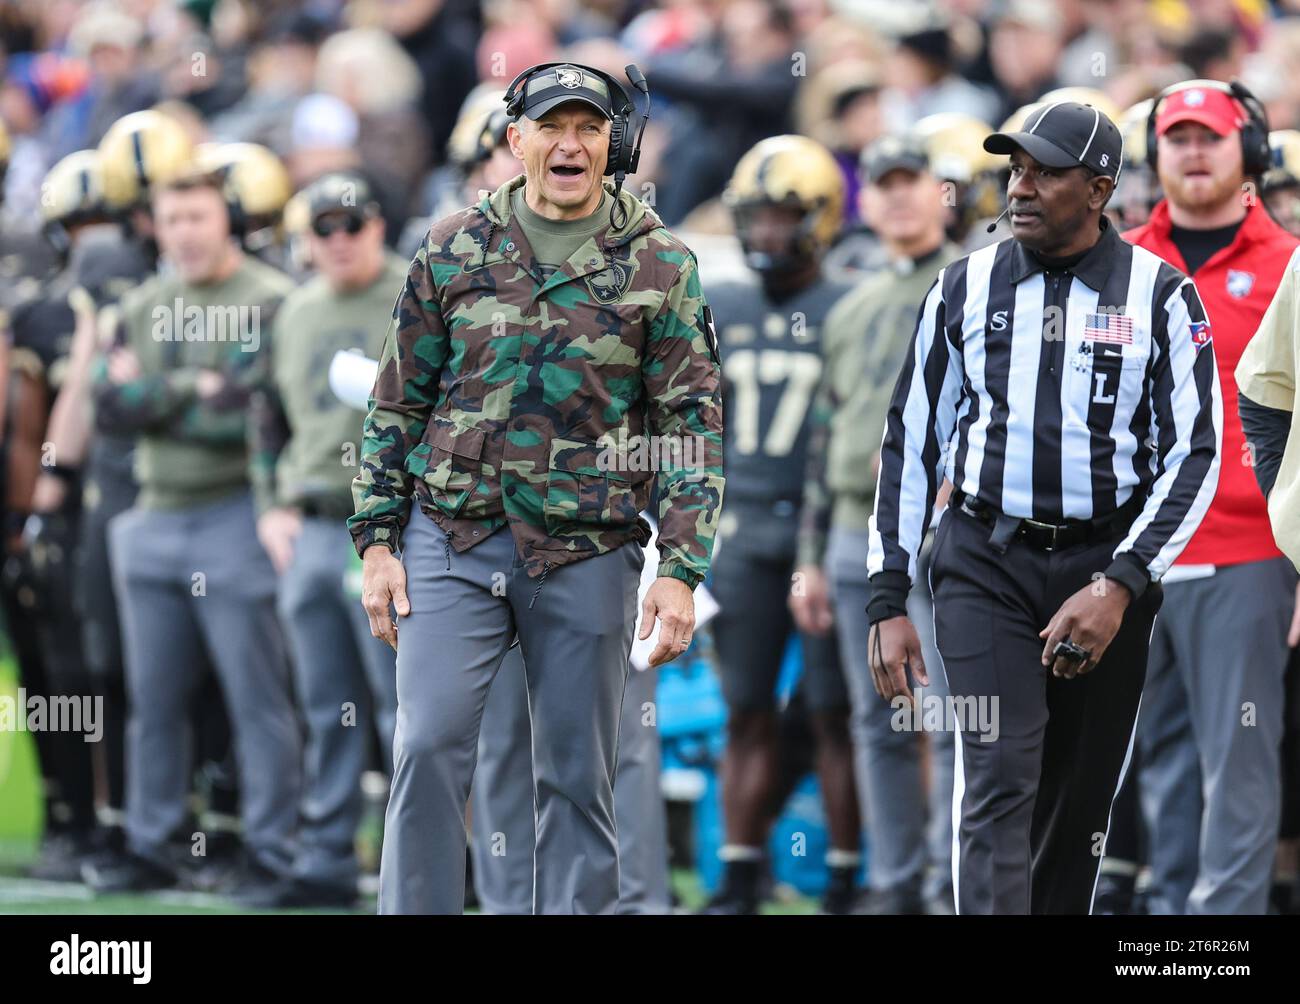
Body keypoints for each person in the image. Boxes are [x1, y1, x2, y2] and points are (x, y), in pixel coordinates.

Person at [350, 61, 725, 915]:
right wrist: (377, 540)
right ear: (514, 140)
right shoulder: (452, 245)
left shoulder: (662, 263)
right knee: (430, 746)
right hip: (450, 537)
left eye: (589, 127)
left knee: (576, 775)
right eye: (552, 127)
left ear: (613, 144)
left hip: (587, 548)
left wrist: (681, 568)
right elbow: (395, 403)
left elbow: (691, 429)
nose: (570, 143)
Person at [867, 102, 1222, 915]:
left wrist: (1122, 583)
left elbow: (1196, 451)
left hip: (1105, 560)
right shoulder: (963, 284)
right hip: (985, 557)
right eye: (1014, 170)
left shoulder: (1163, 296)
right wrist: (887, 594)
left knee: (1078, 800)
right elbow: (911, 440)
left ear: (1099, 189)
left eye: (1045, 173)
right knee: (996, 777)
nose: (1019, 188)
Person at [85, 170, 301, 898]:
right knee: (153, 698)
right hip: (151, 514)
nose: (184, 230)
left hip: (236, 511)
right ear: (155, 225)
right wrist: (189, 387)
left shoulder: (270, 300)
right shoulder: (142, 304)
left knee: (256, 693)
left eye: (198, 215)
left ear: (227, 220)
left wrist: (158, 396)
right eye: (171, 217)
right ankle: (151, 842)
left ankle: (273, 846)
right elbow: (107, 407)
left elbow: (241, 413)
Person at [1122, 79, 1300, 915]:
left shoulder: (1289, 265)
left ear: (1249, 151)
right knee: (1154, 758)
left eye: (1212, 137)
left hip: (1247, 547)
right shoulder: (1112, 259)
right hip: (1130, 553)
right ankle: (1167, 927)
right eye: (1178, 137)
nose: (1194, 152)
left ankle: (1223, 935)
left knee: (1241, 757)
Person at [795, 134, 963, 915]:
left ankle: (947, 880)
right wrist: (809, 554)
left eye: (912, 181)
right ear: (865, 199)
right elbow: (824, 431)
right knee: (879, 713)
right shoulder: (849, 301)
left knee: (955, 713)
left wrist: (957, 472)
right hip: (854, 526)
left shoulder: (973, 284)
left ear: (943, 193)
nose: (898, 196)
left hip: (943, 524)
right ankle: (895, 883)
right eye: (884, 182)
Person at [699, 134, 858, 915]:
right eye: (755, 217)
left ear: (822, 218)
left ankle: (843, 874)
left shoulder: (847, 304)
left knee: (835, 712)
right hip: (742, 528)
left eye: (782, 217)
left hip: (820, 536)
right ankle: (738, 871)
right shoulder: (719, 303)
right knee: (746, 709)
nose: (766, 232)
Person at [242, 171, 407, 909]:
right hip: (311, 523)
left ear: (378, 226)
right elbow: (264, 413)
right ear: (305, 241)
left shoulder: (417, 292)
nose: (340, 240)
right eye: (325, 228)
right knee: (323, 701)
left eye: (354, 223)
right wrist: (267, 500)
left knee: (402, 706)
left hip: (392, 529)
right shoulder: (294, 307)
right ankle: (326, 857)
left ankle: (423, 859)